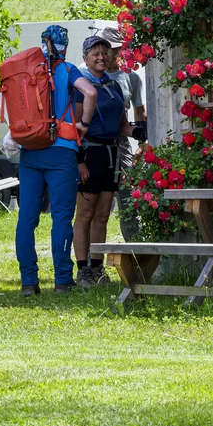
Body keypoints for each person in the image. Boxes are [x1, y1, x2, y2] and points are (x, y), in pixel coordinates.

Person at [0, 25, 96, 295]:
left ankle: (28, 282)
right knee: (61, 217)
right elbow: (91, 93)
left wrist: (21, 126)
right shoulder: (68, 70)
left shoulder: (25, 74)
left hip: (30, 151)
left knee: (26, 218)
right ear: (65, 45)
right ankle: (62, 280)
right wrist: (83, 123)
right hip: (62, 153)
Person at [72, 35, 134, 288]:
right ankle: (83, 270)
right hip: (90, 154)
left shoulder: (115, 85)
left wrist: (140, 132)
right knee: (85, 215)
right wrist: (79, 162)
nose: (101, 56)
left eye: (104, 52)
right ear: (86, 58)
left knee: (102, 216)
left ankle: (97, 269)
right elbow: (74, 127)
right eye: (95, 53)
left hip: (112, 154)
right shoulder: (81, 86)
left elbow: (122, 126)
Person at [95, 24, 147, 241]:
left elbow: (139, 112)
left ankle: (135, 250)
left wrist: (143, 145)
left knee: (127, 195)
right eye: (106, 48)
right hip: (95, 142)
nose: (110, 53)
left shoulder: (131, 77)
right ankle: (92, 258)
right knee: (96, 201)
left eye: (115, 49)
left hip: (121, 141)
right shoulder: (88, 73)